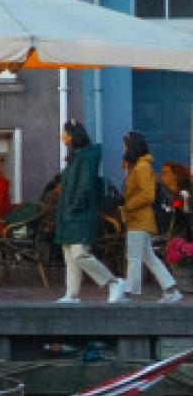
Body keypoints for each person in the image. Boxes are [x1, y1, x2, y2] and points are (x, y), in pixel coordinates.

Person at [54, 118, 118, 302]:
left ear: (72, 135)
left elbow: (84, 186)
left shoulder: (85, 158)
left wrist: (73, 207)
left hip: (78, 214)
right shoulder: (79, 157)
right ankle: (72, 294)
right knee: (70, 255)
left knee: (79, 254)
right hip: (71, 213)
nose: (62, 137)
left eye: (65, 134)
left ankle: (112, 282)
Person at [119, 131, 182, 300]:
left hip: (139, 219)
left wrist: (128, 206)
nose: (123, 149)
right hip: (138, 219)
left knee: (133, 256)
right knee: (148, 256)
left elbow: (147, 195)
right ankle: (171, 290)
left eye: (125, 146)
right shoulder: (137, 167)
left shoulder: (142, 167)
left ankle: (130, 292)